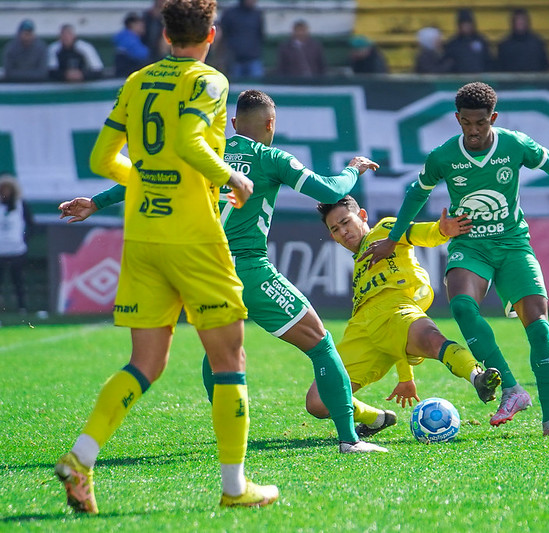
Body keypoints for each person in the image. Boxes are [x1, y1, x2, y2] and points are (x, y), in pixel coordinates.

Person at [59, 89, 388, 455]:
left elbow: (147, 177)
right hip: (248, 269)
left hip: (205, 273)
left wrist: (95, 202)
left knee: (217, 355)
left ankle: (229, 440)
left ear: (233, 124)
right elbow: (329, 189)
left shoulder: (206, 152)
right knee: (321, 344)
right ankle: (349, 440)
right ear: (270, 125)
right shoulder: (272, 158)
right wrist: (353, 169)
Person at [53, 0, 276, 515]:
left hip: (144, 237)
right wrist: (228, 176)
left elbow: (101, 159)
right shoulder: (210, 82)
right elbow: (188, 138)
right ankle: (235, 486)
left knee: (145, 363)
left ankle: (81, 458)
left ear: (165, 33)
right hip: (195, 240)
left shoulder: (137, 81)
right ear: (212, 34)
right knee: (229, 361)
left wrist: (151, 180)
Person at [363, 82, 549, 438]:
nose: (474, 130)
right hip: (471, 246)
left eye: (480, 123)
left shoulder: (513, 144)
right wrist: (393, 237)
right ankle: (511, 389)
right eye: (466, 123)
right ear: (457, 119)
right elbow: (415, 194)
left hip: (512, 244)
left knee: (538, 325)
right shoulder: (443, 156)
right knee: (462, 307)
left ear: (492, 118)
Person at [305, 196, 502, 436]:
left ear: (363, 216)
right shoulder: (359, 264)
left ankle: (477, 377)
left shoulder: (385, 229)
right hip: (361, 329)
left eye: (346, 222)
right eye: (335, 229)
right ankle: (376, 419)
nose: (343, 232)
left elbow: (416, 232)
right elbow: (392, 339)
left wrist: (441, 230)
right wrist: (405, 376)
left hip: (398, 309)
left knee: (432, 340)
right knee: (317, 402)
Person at [0, 175, 34, 313]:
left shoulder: (20, 205)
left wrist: (24, 240)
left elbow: (30, 224)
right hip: (1, 250)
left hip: (17, 249)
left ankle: (22, 307)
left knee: (18, 280)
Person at [220, 0, 264, 80]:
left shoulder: (257, 14)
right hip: (234, 60)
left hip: (253, 59)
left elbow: (260, 35)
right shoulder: (230, 14)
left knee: (257, 87)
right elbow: (223, 34)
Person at [496, 8, 549, 73]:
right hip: (512, 82)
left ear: (527, 22)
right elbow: (499, 69)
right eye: (518, 20)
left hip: (534, 82)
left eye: (522, 20)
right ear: (512, 22)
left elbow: (546, 66)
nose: (520, 23)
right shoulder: (504, 46)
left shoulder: (538, 44)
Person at [443, 8, 493, 73]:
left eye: (468, 23)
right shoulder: (453, 44)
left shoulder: (482, 41)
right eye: (464, 24)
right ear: (459, 25)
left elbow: (488, 61)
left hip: (480, 79)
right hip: (459, 81)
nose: (467, 26)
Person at [113, 12, 150, 77]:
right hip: (126, 75)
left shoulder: (136, 38)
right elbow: (141, 54)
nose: (143, 26)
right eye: (140, 24)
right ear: (132, 24)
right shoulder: (126, 39)